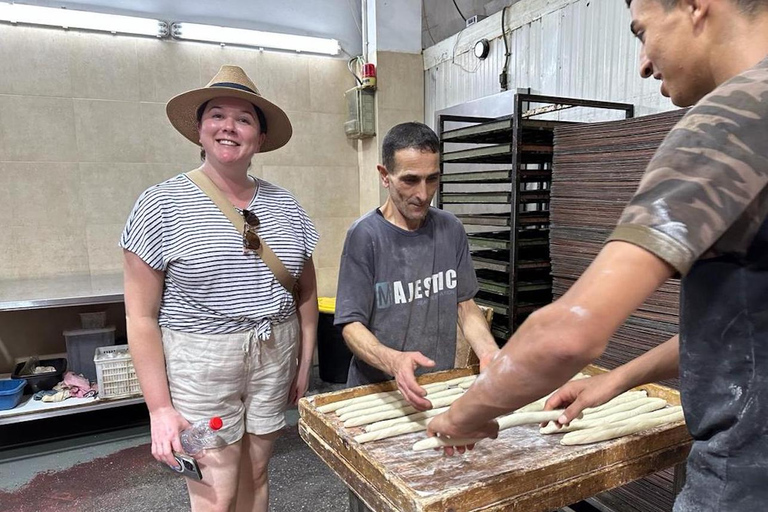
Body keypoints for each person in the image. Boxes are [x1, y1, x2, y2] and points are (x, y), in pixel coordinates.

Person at [427, 0, 768, 509]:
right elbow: (746, 330)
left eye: (640, 32)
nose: (643, 64)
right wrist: (617, 379)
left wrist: (461, 417)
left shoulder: (731, 121)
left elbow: (568, 332)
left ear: (696, 7)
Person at [121, 65, 319, 512]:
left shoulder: (285, 205)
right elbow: (139, 315)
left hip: (275, 352)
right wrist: (159, 409)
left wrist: (304, 362)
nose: (229, 126)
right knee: (215, 488)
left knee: (257, 472)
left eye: (244, 118)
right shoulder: (161, 203)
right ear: (199, 129)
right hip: (200, 363)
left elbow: (305, 289)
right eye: (217, 115)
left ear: (260, 137)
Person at [334, 122, 499, 410]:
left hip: (437, 388)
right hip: (377, 394)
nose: (423, 194)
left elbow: (465, 306)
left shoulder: (451, 229)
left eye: (432, 179)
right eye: (410, 180)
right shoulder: (365, 236)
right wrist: (394, 361)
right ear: (385, 176)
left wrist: (488, 353)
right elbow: (351, 326)